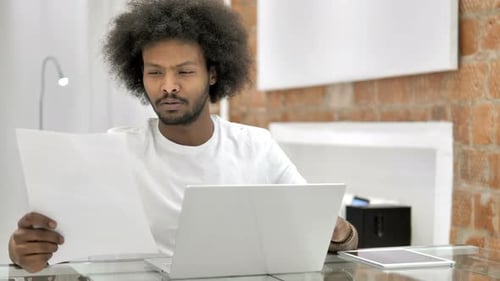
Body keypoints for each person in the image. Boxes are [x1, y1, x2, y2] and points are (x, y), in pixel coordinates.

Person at [8, 0, 358, 273]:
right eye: (155, 72)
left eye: (184, 72)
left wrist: (339, 232)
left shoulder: (256, 147)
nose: (168, 86)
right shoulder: (114, 150)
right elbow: (48, 251)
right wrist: (23, 251)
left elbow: (340, 238)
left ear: (213, 74)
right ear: (139, 76)